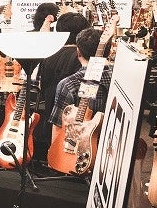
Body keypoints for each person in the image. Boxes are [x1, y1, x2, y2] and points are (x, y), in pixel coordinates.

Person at [32, 11, 91, 159]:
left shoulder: (49, 54)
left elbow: (40, 86)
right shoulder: (82, 59)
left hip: (49, 123)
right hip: (75, 131)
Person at [49, 27, 106, 130]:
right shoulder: (120, 80)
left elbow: (59, 129)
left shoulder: (69, 84)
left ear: (78, 52)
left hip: (77, 139)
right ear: (108, 52)